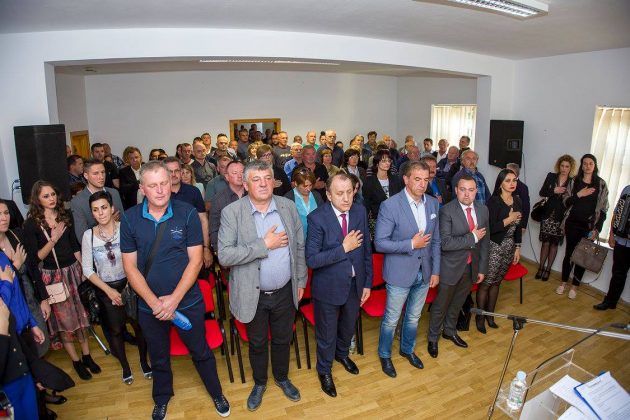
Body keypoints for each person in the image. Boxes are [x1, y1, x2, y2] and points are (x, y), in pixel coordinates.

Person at [120, 161, 230, 419]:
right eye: (153, 185)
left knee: (201, 351)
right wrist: (155, 303)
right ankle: (161, 398)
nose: (160, 190)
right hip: (150, 307)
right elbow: (130, 268)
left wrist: (173, 300)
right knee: (158, 356)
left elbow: (195, 261)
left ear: (170, 183)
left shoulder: (187, 213)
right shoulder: (129, 218)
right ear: (142, 188)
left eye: (164, 183)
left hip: (187, 301)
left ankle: (216, 393)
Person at [218, 160, 306, 411]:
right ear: (245, 185)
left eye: (267, 178)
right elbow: (225, 256)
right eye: (256, 179)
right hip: (252, 294)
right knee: (257, 342)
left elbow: (299, 246)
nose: (263, 184)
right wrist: (264, 245)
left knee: (282, 338)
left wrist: (300, 280)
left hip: (285, 290)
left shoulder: (288, 206)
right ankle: (259, 383)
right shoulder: (232, 213)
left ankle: (281, 377)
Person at [23, 181, 101, 380]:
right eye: (46, 196)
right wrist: (53, 238)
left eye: (53, 194)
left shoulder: (65, 215)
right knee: (64, 322)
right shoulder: (31, 224)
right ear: (37, 199)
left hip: (73, 272)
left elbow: (74, 245)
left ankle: (87, 356)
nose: (51, 199)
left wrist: (85, 269)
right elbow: (35, 258)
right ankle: (76, 361)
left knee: (81, 317)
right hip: (53, 278)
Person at [305, 173, 372, 397]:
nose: (346, 198)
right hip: (328, 288)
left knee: (348, 327)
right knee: (327, 334)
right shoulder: (317, 218)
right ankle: (324, 370)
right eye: (340, 193)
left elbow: (366, 250)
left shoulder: (359, 211)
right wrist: (343, 248)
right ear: (328, 194)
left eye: (349, 192)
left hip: (355, 284)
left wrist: (367, 283)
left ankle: (342, 354)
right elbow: (312, 260)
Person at [374, 161, 440, 377]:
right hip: (399, 272)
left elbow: (436, 241)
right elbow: (380, 243)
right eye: (417, 179)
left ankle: (407, 349)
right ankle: (385, 354)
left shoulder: (432, 203)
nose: (422, 184)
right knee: (392, 319)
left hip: (425, 271)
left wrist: (435, 271)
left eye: (426, 180)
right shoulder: (390, 205)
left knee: (413, 317)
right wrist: (411, 244)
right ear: (406, 179)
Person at [81, 191, 150, 385]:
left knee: (139, 327)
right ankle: (126, 368)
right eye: (95, 210)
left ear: (112, 209)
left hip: (131, 284)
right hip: (106, 290)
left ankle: (144, 363)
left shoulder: (126, 228)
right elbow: (87, 269)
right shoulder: (88, 236)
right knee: (116, 331)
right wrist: (109, 291)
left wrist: (131, 282)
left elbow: (139, 258)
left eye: (104, 207)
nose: (100, 213)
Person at [427, 175, 489, 357]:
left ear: (476, 191)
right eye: (463, 189)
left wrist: (482, 268)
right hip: (450, 267)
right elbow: (445, 243)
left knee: (458, 302)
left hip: (471, 267)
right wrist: (472, 237)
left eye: (471, 190)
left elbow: (485, 243)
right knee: (441, 305)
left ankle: (449, 331)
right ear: (456, 190)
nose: (467, 194)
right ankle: (433, 338)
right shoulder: (447, 211)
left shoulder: (483, 210)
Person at [476, 169, 522, 333]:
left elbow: (518, 228)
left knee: (497, 283)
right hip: (494, 246)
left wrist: (518, 247)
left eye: (514, 180)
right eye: (508, 180)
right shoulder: (493, 201)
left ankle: (490, 316)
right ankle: (480, 318)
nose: (512, 183)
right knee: (486, 284)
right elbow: (490, 228)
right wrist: (509, 219)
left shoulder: (517, 200)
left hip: (509, 247)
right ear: (500, 183)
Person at [557, 154, 609, 299]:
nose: (587, 166)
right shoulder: (574, 181)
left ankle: (575, 286)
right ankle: (563, 283)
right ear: (581, 165)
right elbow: (566, 202)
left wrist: (597, 229)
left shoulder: (601, 184)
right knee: (569, 254)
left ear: (594, 165)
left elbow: (603, 210)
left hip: (588, 227)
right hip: (572, 223)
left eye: (590, 163)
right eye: (585, 163)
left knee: (583, 257)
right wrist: (579, 194)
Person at [164, 157, 213, 271]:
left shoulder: (193, 191)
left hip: (194, 246)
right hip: (168, 250)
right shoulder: (159, 194)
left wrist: (206, 248)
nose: (174, 174)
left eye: (176, 171)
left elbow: (203, 220)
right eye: (170, 171)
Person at [535, 155, 575, 281]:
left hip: (560, 217)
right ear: (559, 166)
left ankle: (548, 269)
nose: (564, 168)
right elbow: (542, 192)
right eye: (562, 166)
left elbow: (571, 201)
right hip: (548, 214)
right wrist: (554, 190)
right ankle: (541, 268)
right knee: (545, 243)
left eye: (567, 166)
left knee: (554, 244)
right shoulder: (551, 176)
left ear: (571, 168)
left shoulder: (573, 181)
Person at [0, 295, 39, 420]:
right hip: (6, 389)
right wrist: (2, 330)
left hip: (24, 378)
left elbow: (16, 340)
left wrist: (36, 374)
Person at [594, 184, 630, 310]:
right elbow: (617, 212)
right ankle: (610, 301)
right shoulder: (627, 189)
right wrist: (611, 234)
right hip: (621, 240)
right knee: (618, 273)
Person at [71, 159, 125, 242]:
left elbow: (124, 222)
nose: (101, 177)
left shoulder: (114, 193)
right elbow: (82, 238)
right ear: (86, 175)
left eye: (103, 172)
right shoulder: (77, 202)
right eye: (96, 173)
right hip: (96, 247)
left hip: (121, 243)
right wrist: (107, 223)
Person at [363, 150, 403, 240]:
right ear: (377, 163)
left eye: (389, 161)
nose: (387, 163)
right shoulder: (369, 182)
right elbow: (366, 205)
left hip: (396, 221)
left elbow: (401, 200)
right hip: (378, 220)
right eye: (384, 161)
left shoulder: (396, 179)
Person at [209, 161, 246, 253]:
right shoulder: (218, 199)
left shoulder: (253, 195)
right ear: (227, 177)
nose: (240, 176)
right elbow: (214, 228)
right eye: (235, 173)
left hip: (253, 247)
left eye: (242, 172)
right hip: (229, 249)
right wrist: (218, 251)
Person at [284, 168, 324, 238]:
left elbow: (323, 216)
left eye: (310, 185)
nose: (308, 189)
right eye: (305, 186)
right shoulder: (288, 198)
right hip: (297, 240)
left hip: (316, 238)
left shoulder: (316, 196)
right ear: (296, 183)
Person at [506, 163, 531, 232]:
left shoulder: (523, 187)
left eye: (508, 171)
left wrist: (523, 225)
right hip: (503, 221)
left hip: (516, 222)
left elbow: (526, 207)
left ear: (515, 174)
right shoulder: (502, 184)